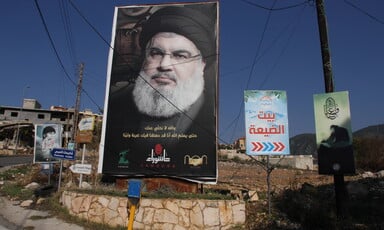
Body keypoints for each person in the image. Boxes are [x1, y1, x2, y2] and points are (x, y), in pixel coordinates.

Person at [102, 3, 218, 182]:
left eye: (180, 56)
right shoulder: (117, 106)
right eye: (155, 53)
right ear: (145, 58)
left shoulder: (210, 119)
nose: (164, 65)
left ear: (202, 64)